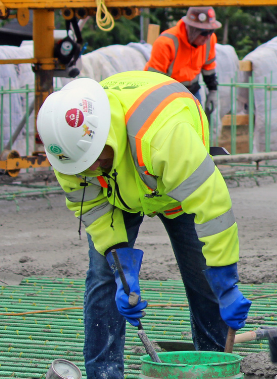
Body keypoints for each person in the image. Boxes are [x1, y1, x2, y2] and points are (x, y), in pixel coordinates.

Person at [36, 72, 250, 379]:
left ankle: (214, 365)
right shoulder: (68, 153)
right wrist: (118, 261)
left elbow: (213, 208)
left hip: (173, 189)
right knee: (104, 277)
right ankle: (103, 373)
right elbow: (93, 209)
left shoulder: (166, 137)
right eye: (82, 166)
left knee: (205, 278)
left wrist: (225, 280)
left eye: (95, 160)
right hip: (119, 192)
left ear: (105, 135)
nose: (90, 169)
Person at [146, 6, 221, 117]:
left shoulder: (210, 40)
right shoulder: (166, 42)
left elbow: (208, 68)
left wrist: (213, 91)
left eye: (211, 31)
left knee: (197, 124)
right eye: (204, 32)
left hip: (192, 92)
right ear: (192, 29)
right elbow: (154, 78)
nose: (208, 37)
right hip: (168, 94)